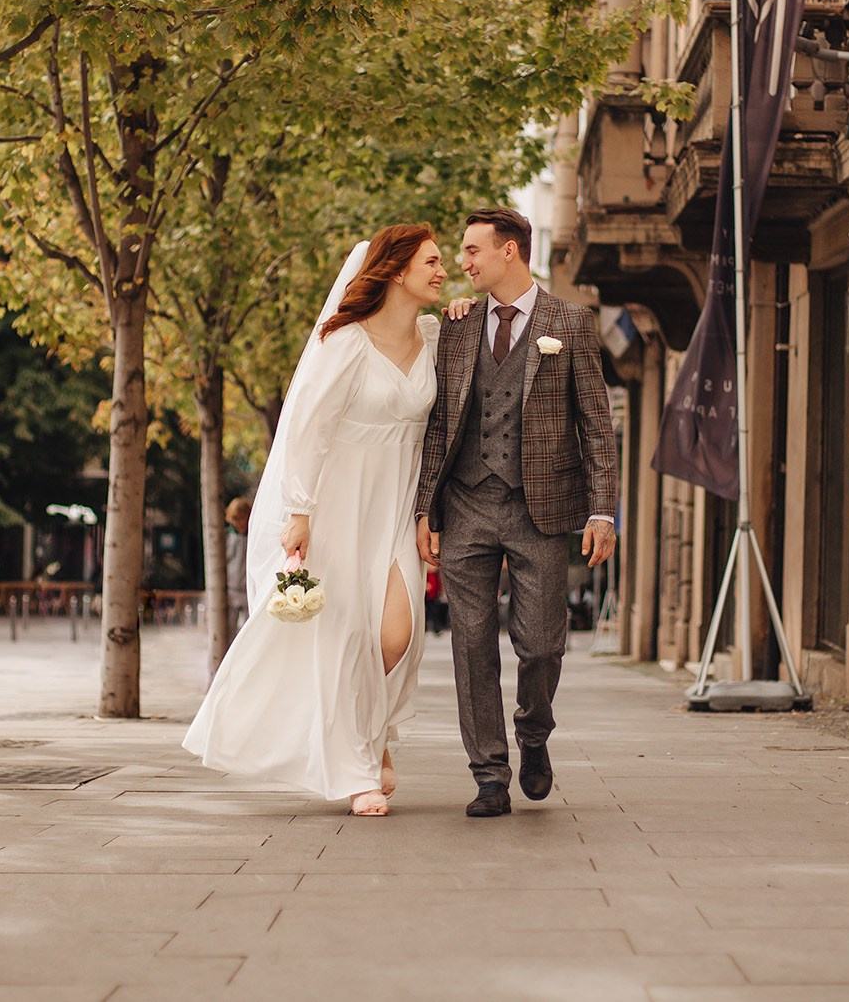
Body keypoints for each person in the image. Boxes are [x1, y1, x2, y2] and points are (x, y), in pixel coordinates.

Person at [184, 225, 446, 817]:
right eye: (431, 262)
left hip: (396, 505)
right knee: (346, 638)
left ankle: (373, 736)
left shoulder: (432, 337)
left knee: (399, 636)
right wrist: (299, 512)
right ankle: (358, 768)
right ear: (396, 270)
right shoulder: (344, 341)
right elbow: (306, 428)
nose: (442, 271)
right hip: (335, 507)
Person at [416, 207, 619, 819]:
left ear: (510, 251)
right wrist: (425, 507)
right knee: (471, 643)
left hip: (542, 508)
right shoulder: (457, 325)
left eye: (473, 250)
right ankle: (489, 774)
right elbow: (437, 426)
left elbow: (597, 427)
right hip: (467, 504)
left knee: (540, 646)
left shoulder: (570, 322)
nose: (463, 263)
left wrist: (602, 511)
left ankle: (533, 735)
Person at [222, 496, 251, 639]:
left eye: (240, 518)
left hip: (248, 589)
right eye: (234, 518)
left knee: (248, 631)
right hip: (230, 588)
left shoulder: (253, 536)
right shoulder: (226, 537)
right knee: (228, 631)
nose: (237, 522)